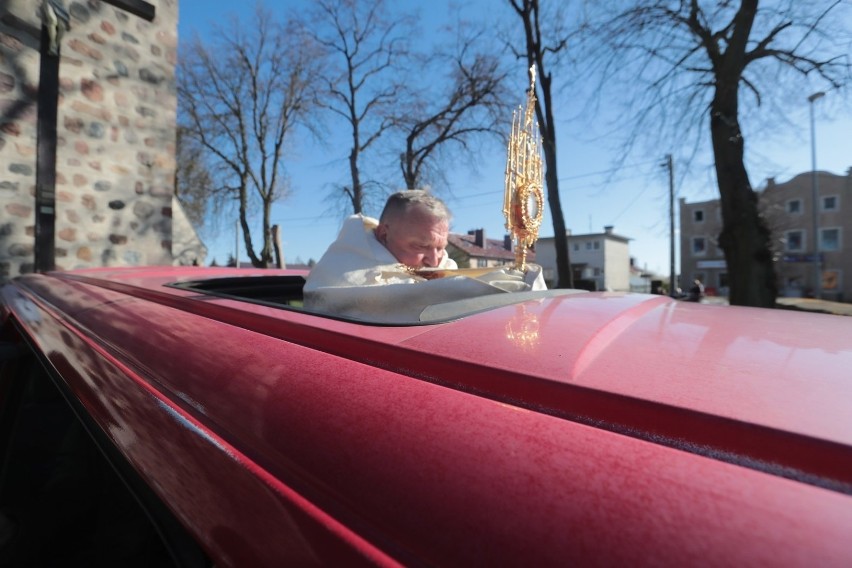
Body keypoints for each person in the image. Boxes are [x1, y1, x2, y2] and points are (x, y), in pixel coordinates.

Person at [304, 190, 545, 321]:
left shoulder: (442, 261)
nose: (434, 260)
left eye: (441, 247)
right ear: (384, 233)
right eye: (420, 246)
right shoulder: (344, 266)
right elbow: (386, 305)